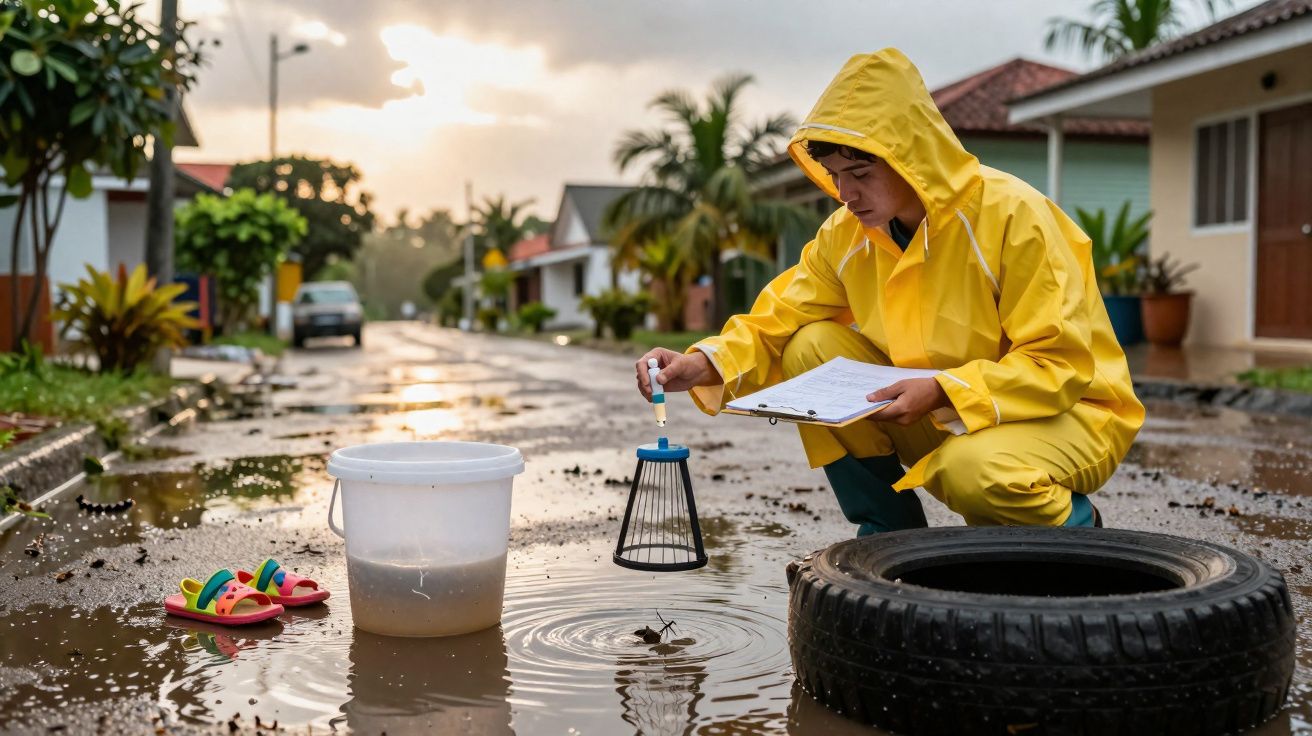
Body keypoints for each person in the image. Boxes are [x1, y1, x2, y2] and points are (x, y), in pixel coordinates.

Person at [634, 48, 1144, 535]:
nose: (845, 193)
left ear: (912, 158)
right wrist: (703, 363)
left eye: (860, 173)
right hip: (942, 407)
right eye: (835, 175)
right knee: (811, 345)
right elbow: (781, 316)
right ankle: (887, 533)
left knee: (972, 473)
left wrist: (945, 389)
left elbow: (1060, 365)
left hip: (1068, 414)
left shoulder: (1014, 218)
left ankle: (1079, 532)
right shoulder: (848, 234)